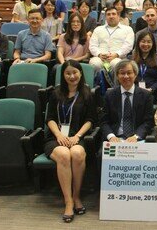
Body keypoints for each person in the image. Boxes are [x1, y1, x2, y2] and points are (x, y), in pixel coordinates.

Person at [44, 60, 96, 223]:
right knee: (64, 155)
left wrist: (77, 137)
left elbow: (90, 120)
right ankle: (68, 202)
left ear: (81, 73)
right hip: (55, 138)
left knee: (77, 153)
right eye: (68, 73)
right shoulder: (56, 93)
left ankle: (76, 196)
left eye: (75, 72)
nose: (72, 76)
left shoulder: (88, 94)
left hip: (76, 137)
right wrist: (59, 135)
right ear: (63, 75)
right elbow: (50, 118)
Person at [100, 59, 154, 142]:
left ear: (135, 74)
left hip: (137, 139)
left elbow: (148, 122)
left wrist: (136, 137)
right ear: (117, 76)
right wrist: (111, 136)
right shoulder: (109, 95)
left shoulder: (146, 95)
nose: (126, 76)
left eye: (129, 73)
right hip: (115, 138)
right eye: (122, 73)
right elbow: (104, 121)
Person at [88, 6, 134, 72]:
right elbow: (92, 45)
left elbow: (128, 46)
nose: (111, 16)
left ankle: (114, 82)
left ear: (118, 16)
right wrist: (99, 54)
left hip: (118, 57)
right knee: (94, 63)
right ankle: (98, 82)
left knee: (115, 64)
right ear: (105, 17)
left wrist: (117, 54)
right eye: (108, 14)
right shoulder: (98, 29)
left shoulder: (128, 29)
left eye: (113, 14)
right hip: (100, 57)